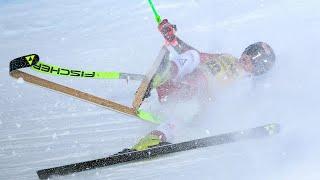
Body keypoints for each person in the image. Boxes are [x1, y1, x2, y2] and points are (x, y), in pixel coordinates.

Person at [132, 19, 276, 151]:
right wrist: (172, 38)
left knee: (185, 112)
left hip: (194, 100)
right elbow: (197, 55)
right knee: (193, 55)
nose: (249, 58)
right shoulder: (226, 57)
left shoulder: (244, 82)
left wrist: (203, 95)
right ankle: (162, 75)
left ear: (258, 70)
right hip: (174, 87)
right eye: (251, 52)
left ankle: (153, 139)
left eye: (256, 60)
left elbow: (225, 106)